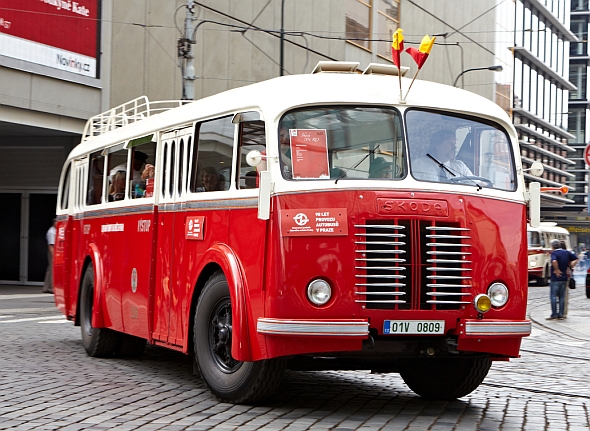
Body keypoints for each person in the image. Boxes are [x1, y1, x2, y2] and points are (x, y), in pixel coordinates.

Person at [547, 239, 578, 320]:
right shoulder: (566, 252)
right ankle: (561, 314)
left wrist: (556, 270)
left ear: (553, 246)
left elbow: (554, 261)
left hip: (555, 278)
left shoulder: (554, 253)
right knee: (562, 297)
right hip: (564, 278)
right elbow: (575, 258)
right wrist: (571, 266)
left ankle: (554, 314)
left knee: (553, 296)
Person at [42, 219, 57, 294]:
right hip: (52, 251)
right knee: (52, 269)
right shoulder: (51, 232)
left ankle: (46, 287)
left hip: (54, 250)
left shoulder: (55, 231)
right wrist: (54, 256)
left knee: (50, 269)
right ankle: (51, 287)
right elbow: (51, 245)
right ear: (54, 223)